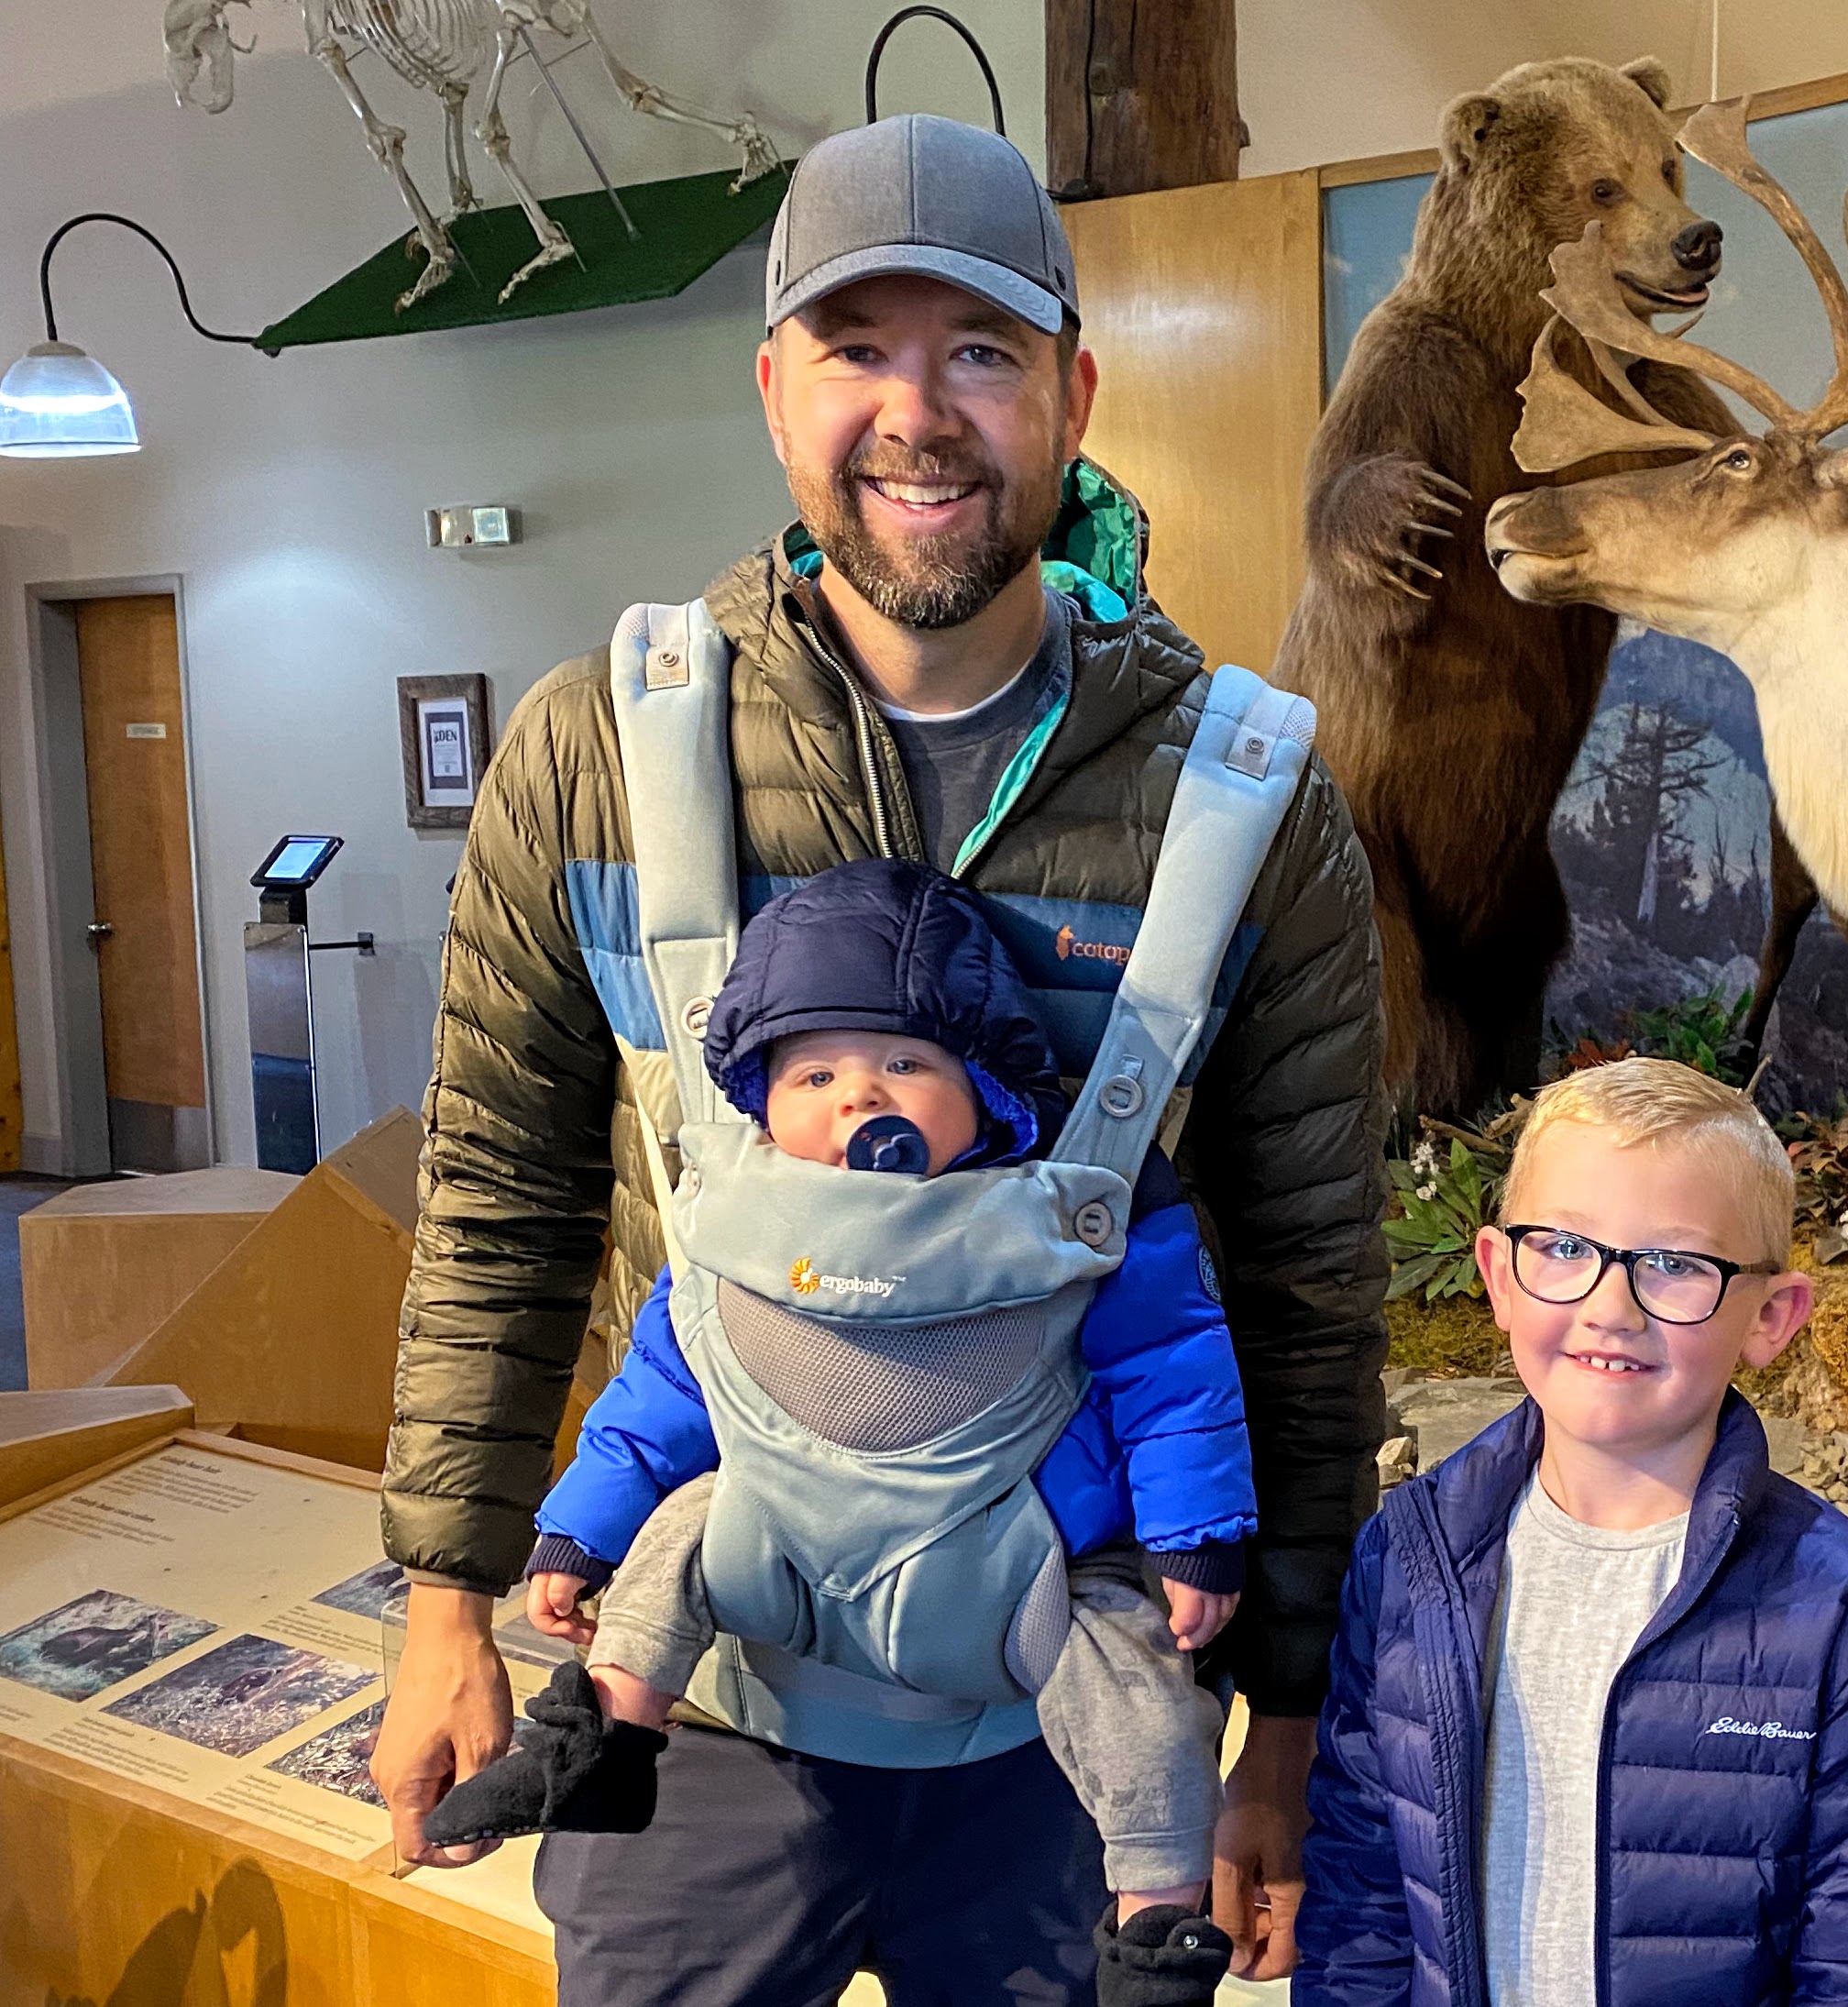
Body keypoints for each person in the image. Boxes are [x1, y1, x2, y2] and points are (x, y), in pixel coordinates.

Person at [371, 110, 1387, 2002]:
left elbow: (1313, 1279)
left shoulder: (1245, 799)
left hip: (1061, 1732)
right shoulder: (591, 749)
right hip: (688, 1710)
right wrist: (447, 1597)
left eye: (980, 352)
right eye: (858, 350)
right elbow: (495, 1199)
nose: (918, 414)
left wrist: (1291, 1720)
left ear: (1074, 393)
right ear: (774, 390)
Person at [416, 858, 1253, 2001]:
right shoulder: (734, 1219)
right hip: (774, 1552)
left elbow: (1173, 1368)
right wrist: (573, 1534)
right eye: (816, 1071)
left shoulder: (1079, 1203)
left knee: (1135, 1681)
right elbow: (663, 1391)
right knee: (677, 1537)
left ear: (991, 1086)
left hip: (1022, 1571)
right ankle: (602, 1737)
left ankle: (1156, 1914)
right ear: (760, 1099)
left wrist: (1194, 1533)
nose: (861, 1096)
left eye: (906, 1062)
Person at [1294, 1059, 1848, 2007]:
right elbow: (1361, 1904)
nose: (1609, 1306)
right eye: (1566, 1247)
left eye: (1675, 1264)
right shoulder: (1409, 1560)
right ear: (1499, 1274)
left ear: (1772, 1316)